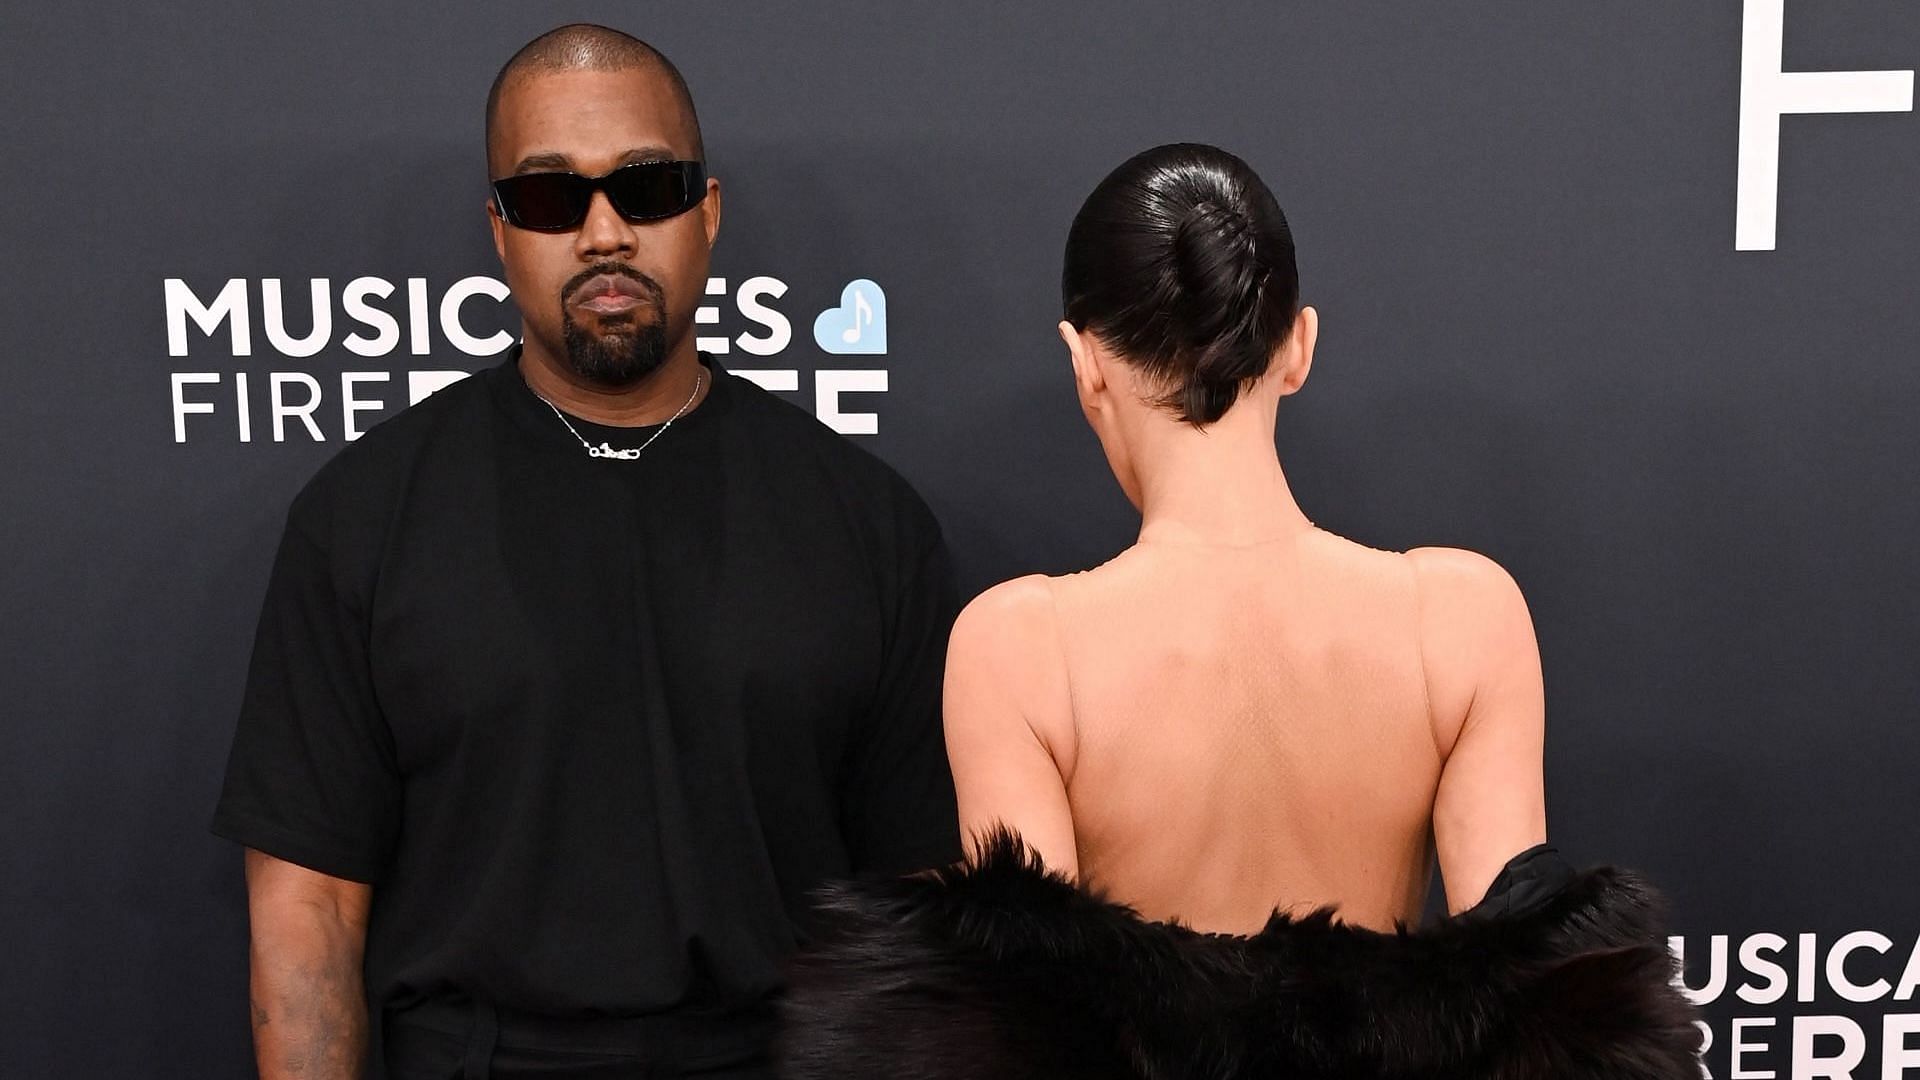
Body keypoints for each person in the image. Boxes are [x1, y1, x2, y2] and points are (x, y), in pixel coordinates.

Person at [777, 144, 1699, 1078]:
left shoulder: (1019, 645)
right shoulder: (1462, 616)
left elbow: (1034, 1026)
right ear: (1299, 346)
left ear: (1084, 360)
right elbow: (1533, 1001)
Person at [211, 24, 962, 1080]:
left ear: (707, 212)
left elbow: (921, 901)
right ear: (502, 230)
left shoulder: (865, 521)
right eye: (552, 198)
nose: (605, 233)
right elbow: (309, 913)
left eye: (646, 187)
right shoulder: (363, 517)